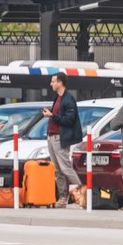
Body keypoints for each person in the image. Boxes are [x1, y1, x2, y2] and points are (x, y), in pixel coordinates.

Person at [42, 72, 83, 208]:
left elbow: (69, 120)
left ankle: (81, 194)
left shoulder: (68, 99)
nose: (51, 84)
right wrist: (51, 116)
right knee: (58, 170)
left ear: (60, 83)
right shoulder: (58, 98)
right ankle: (63, 198)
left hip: (60, 137)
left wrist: (52, 116)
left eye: (53, 81)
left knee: (66, 168)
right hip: (51, 136)